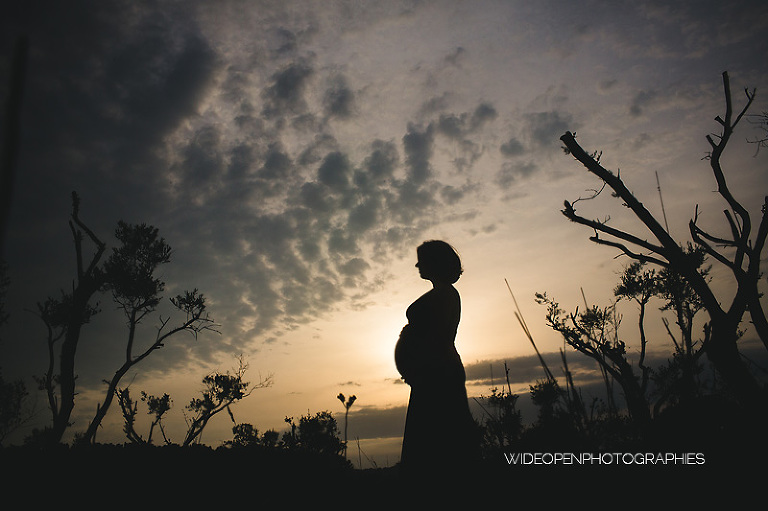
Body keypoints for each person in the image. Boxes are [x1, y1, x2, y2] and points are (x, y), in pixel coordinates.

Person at [395, 240, 478, 474]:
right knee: (428, 438)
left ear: (435, 262)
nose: (417, 265)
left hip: (438, 373)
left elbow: (438, 337)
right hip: (430, 372)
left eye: (422, 260)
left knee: (439, 440)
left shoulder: (446, 295)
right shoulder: (440, 294)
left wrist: (418, 364)